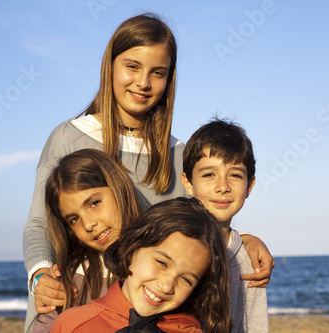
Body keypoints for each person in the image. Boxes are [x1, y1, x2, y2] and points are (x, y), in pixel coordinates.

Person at [23, 13, 273, 332]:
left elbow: (196, 224)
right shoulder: (69, 136)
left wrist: (243, 241)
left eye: (157, 72)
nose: (143, 82)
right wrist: (41, 276)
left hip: (152, 311)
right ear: (110, 66)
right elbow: (38, 224)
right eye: (132, 66)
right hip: (77, 298)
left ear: (169, 79)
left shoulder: (177, 153)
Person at [51, 197, 232, 333]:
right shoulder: (72, 325)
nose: (167, 285)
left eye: (186, 279)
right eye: (162, 262)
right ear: (132, 248)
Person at [31, 148, 142, 332]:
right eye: (74, 219)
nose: (89, 224)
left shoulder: (162, 261)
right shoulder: (71, 280)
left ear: (118, 187)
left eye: (94, 203)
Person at [181, 118, 269, 332]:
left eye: (235, 175)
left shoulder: (250, 259)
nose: (223, 186)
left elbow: (253, 325)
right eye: (209, 174)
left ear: (250, 186)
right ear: (188, 183)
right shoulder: (174, 245)